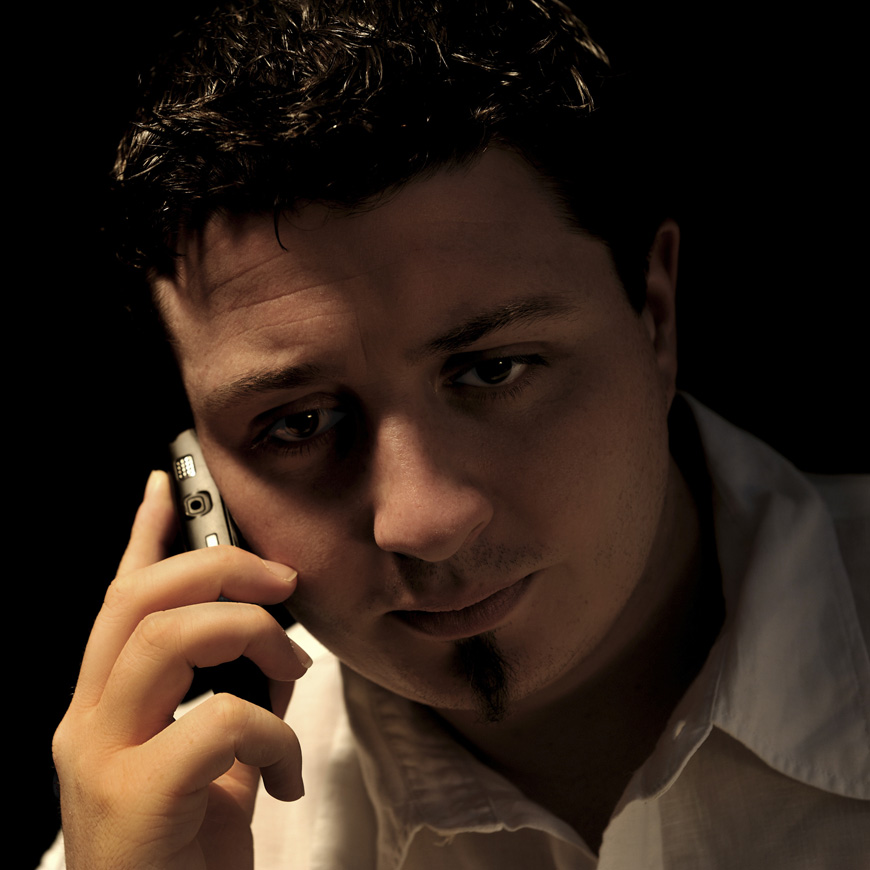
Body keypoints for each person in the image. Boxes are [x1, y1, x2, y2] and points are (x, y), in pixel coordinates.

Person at [43, 1, 869, 868]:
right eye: (300, 424)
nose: (425, 521)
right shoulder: (167, 833)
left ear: (655, 317)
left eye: (494, 369)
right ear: (198, 475)